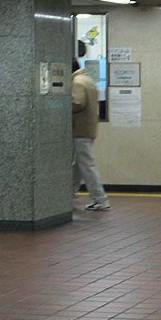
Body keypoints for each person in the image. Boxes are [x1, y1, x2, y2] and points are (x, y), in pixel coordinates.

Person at [72, 59, 109, 211]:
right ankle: (69, 193)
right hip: (87, 129)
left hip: (80, 129)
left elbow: (77, 103)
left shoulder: (77, 82)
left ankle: (100, 199)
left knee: (86, 165)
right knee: (78, 165)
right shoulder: (87, 79)